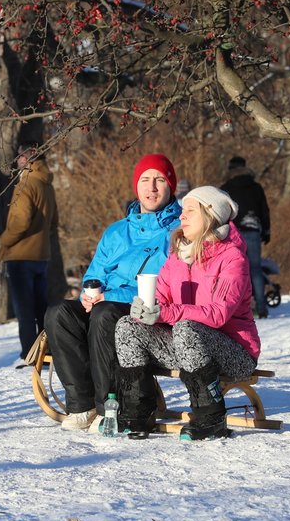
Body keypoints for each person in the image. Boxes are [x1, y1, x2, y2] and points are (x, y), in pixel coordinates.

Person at [45, 154, 181, 432]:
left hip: (149, 313)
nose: (151, 187)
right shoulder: (116, 232)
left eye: (159, 180)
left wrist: (112, 297)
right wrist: (90, 291)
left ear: (170, 186)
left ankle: (110, 407)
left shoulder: (179, 230)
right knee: (59, 313)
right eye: (145, 180)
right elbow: (96, 272)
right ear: (136, 187)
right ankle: (82, 406)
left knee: (106, 313)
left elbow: (167, 286)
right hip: (104, 304)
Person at [115, 186, 260, 441]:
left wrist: (167, 313)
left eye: (190, 210)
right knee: (127, 325)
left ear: (210, 215)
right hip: (186, 345)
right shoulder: (177, 256)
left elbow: (218, 315)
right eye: (182, 210)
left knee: (186, 327)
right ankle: (139, 413)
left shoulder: (232, 258)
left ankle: (210, 417)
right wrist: (145, 311)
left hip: (236, 352)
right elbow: (161, 300)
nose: (182, 216)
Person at [0, 143, 59, 366]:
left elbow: (20, 221)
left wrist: (4, 241)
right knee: (41, 308)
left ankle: (29, 355)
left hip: (21, 255)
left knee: (24, 310)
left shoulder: (26, 185)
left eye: (19, 157)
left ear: (27, 158)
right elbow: (54, 223)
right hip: (41, 255)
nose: (16, 161)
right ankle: (46, 351)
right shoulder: (47, 185)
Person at [221, 156, 271, 318]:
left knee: (235, 271)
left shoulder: (225, 188)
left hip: (232, 233)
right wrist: (267, 231)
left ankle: (240, 309)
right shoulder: (256, 187)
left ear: (230, 169)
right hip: (252, 230)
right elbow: (264, 210)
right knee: (255, 269)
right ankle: (261, 308)